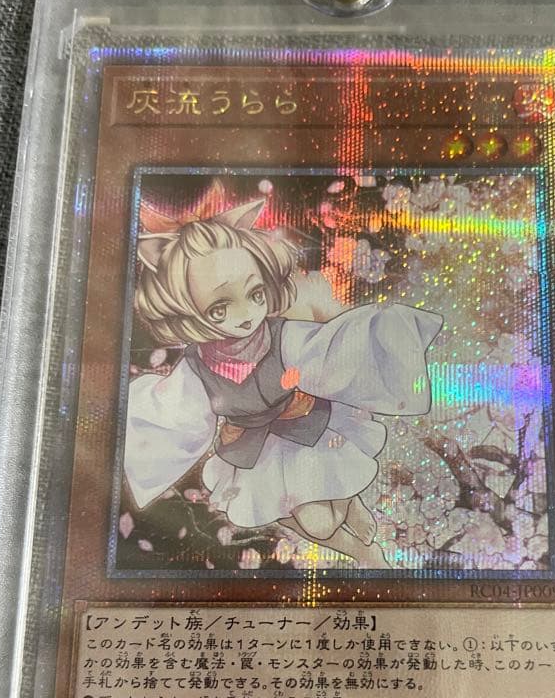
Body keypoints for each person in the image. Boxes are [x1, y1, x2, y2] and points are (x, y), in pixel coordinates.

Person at [124, 198, 442, 568]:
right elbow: (173, 416)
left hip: (308, 429)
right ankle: (361, 551)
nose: (246, 315)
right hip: (255, 451)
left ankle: (351, 503)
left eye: (255, 294)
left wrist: (380, 336)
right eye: (219, 309)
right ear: (184, 311)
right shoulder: (196, 365)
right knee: (303, 519)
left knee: (325, 509)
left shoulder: (282, 334)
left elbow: (332, 352)